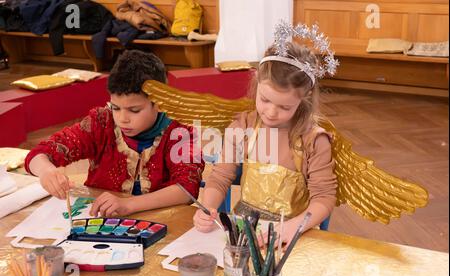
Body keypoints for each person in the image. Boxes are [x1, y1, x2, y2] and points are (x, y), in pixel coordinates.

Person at [193, 22, 338, 248]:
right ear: (257, 84)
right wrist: (207, 208)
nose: (271, 112)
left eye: (284, 107)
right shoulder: (242, 128)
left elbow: (324, 198)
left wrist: (292, 228)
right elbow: (220, 177)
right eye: (265, 100)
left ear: (304, 100)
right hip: (243, 231)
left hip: (292, 234)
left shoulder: (313, 141)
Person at [25, 50, 204, 217]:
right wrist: (46, 172)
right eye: (116, 108)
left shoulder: (179, 133)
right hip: (101, 220)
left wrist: (128, 205)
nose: (122, 119)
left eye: (134, 110)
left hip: (161, 222)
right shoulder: (102, 123)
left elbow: (186, 190)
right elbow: (40, 153)